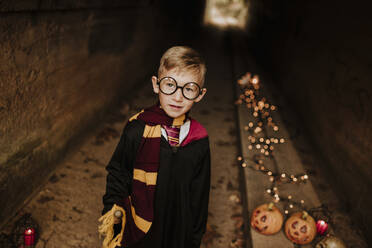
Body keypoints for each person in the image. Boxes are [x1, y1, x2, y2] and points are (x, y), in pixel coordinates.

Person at [98, 46, 211, 248]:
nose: (178, 97)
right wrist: (115, 222)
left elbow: (199, 196)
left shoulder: (199, 140)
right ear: (156, 85)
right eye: (170, 85)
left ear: (200, 95)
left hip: (179, 231)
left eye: (189, 88)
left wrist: (194, 238)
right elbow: (118, 174)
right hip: (140, 229)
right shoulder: (137, 129)